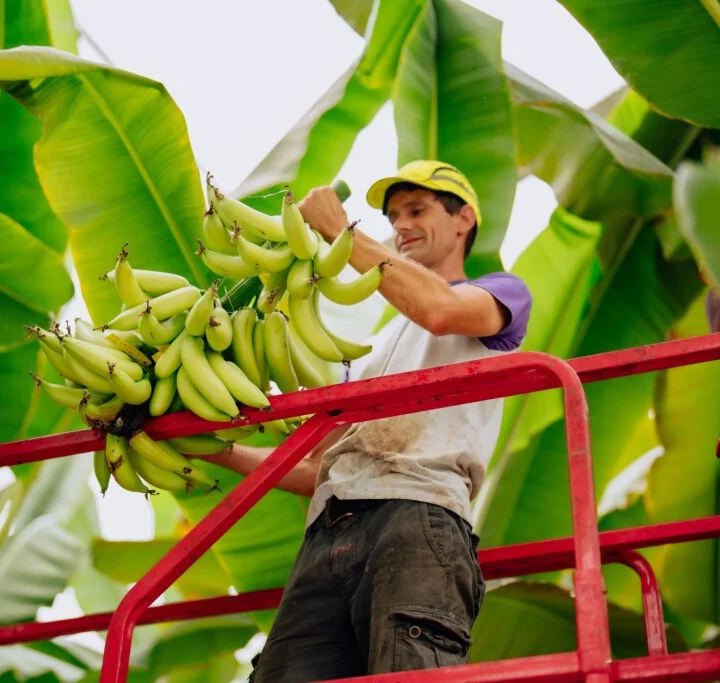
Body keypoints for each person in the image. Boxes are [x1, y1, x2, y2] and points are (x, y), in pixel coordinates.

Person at [201, 160, 532, 680]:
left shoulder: (499, 293)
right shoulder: (373, 350)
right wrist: (218, 449)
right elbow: (319, 465)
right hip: (329, 531)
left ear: (464, 218)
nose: (401, 224)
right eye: (394, 214)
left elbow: (440, 310)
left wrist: (340, 233)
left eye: (417, 210)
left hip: (418, 514)